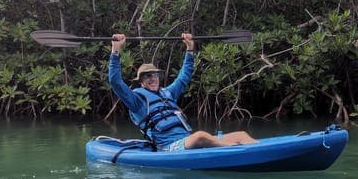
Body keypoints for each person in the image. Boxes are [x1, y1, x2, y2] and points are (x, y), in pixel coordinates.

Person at [108, 32, 256, 151]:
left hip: (186, 140)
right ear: (141, 82)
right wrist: (116, 51)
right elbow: (115, 81)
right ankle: (236, 150)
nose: (153, 78)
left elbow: (184, 76)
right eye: (147, 76)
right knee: (199, 136)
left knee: (240, 134)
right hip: (169, 147)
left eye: (155, 75)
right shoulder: (136, 100)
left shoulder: (168, 93)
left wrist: (190, 49)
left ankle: (258, 149)